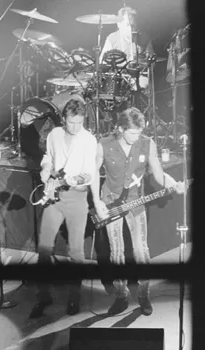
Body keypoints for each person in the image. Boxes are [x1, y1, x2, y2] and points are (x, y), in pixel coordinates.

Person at [90, 108, 185, 316]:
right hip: (110, 203)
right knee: (117, 253)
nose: (136, 137)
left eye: (139, 132)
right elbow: (93, 172)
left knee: (142, 252)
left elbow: (159, 175)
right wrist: (97, 201)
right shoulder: (104, 144)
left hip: (136, 203)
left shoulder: (147, 143)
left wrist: (174, 184)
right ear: (121, 128)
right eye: (132, 133)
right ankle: (121, 296)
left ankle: (143, 295)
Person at [29, 99, 98, 318]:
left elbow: (87, 174)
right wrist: (46, 169)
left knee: (76, 251)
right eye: (71, 122)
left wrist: (63, 180)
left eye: (79, 122)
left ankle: (74, 299)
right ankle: (43, 296)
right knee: (44, 247)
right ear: (64, 119)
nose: (75, 127)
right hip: (54, 199)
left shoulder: (89, 140)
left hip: (77, 198)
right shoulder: (55, 135)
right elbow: (48, 156)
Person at [100, 7, 154, 92]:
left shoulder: (144, 39)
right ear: (119, 24)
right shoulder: (112, 38)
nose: (130, 29)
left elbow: (151, 62)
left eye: (133, 26)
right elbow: (102, 62)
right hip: (117, 78)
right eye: (127, 25)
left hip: (138, 76)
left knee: (145, 83)